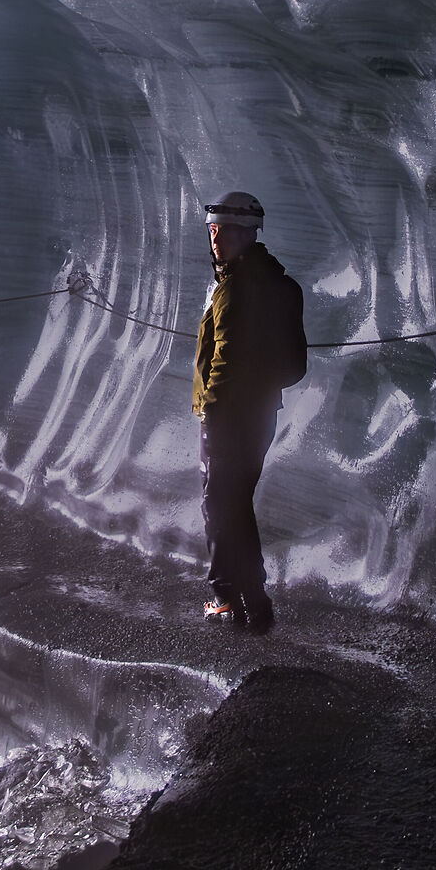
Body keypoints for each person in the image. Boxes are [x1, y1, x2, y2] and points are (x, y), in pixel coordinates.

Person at [192, 192, 307, 631]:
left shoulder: (234, 290)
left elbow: (224, 358)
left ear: (246, 235)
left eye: (223, 232)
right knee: (236, 505)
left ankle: (226, 597)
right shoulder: (282, 286)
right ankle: (254, 603)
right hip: (261, 415)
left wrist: (212, 409)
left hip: (227, 420)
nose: (216, 240)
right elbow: (292, 365)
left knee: (219, 506)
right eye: (213, 231)